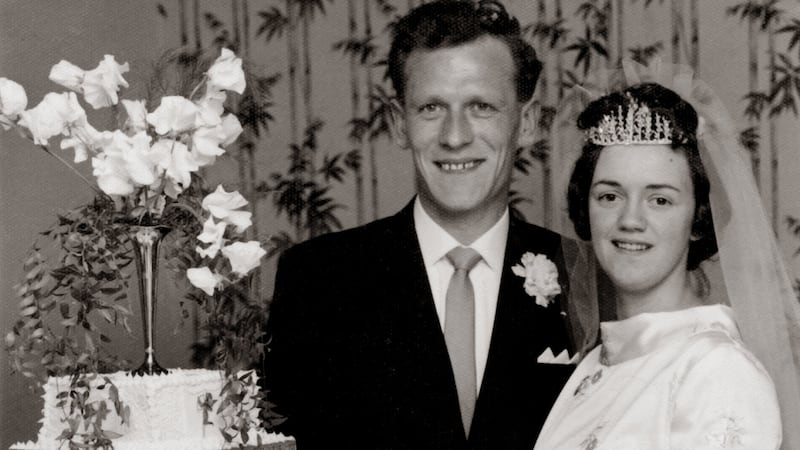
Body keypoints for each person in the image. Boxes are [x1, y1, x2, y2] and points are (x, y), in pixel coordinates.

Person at [261, 1, 579, 448]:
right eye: (431, 108)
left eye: (482, 106)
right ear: (399, 123)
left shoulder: (586, 274)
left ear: (525, 123)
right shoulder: (318, 278)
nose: (454, 136)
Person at [534, 70, 800, 448]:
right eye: (610, 196)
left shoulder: (717, 372)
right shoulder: (595, 366)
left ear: (698, 219)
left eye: (659, 200)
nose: (630, 220)